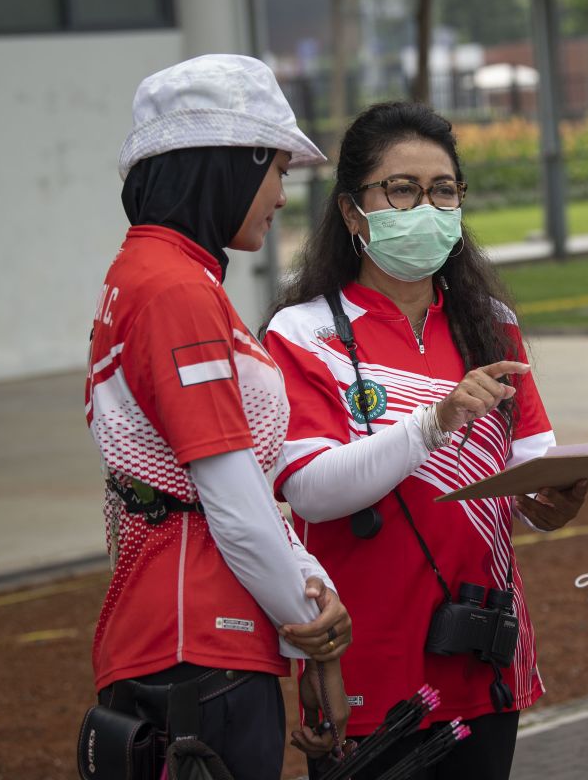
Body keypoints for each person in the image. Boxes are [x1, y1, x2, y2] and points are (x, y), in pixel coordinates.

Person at [262, 101, 587, 779]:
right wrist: (433, 423)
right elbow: (312, 492)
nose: (427, 207)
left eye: (444, 190)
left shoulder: (490, 323)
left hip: (484, 656)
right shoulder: (301, 334)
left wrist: (553, 500)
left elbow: (531, 464)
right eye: (402, 189)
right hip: (368, 674)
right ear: (354, 212)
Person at [85, 54, 352, 779]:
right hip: (198, 643)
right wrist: (312, 629)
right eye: (278, 172)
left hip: (182, 634)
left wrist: (303, 587)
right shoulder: (175, 288)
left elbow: (238, 487)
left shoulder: (156, 274)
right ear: (233, 164)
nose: (282, 197)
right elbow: (230, 499)